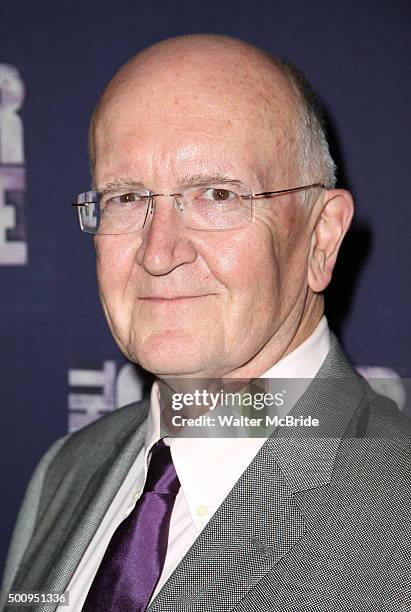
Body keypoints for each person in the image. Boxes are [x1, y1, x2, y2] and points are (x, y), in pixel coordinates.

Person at [1, 34, 410, 612]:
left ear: (322, 238)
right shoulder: (66, 471)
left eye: (217, 194)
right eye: (125, 198)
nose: (159, 251)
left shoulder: (397, 516)